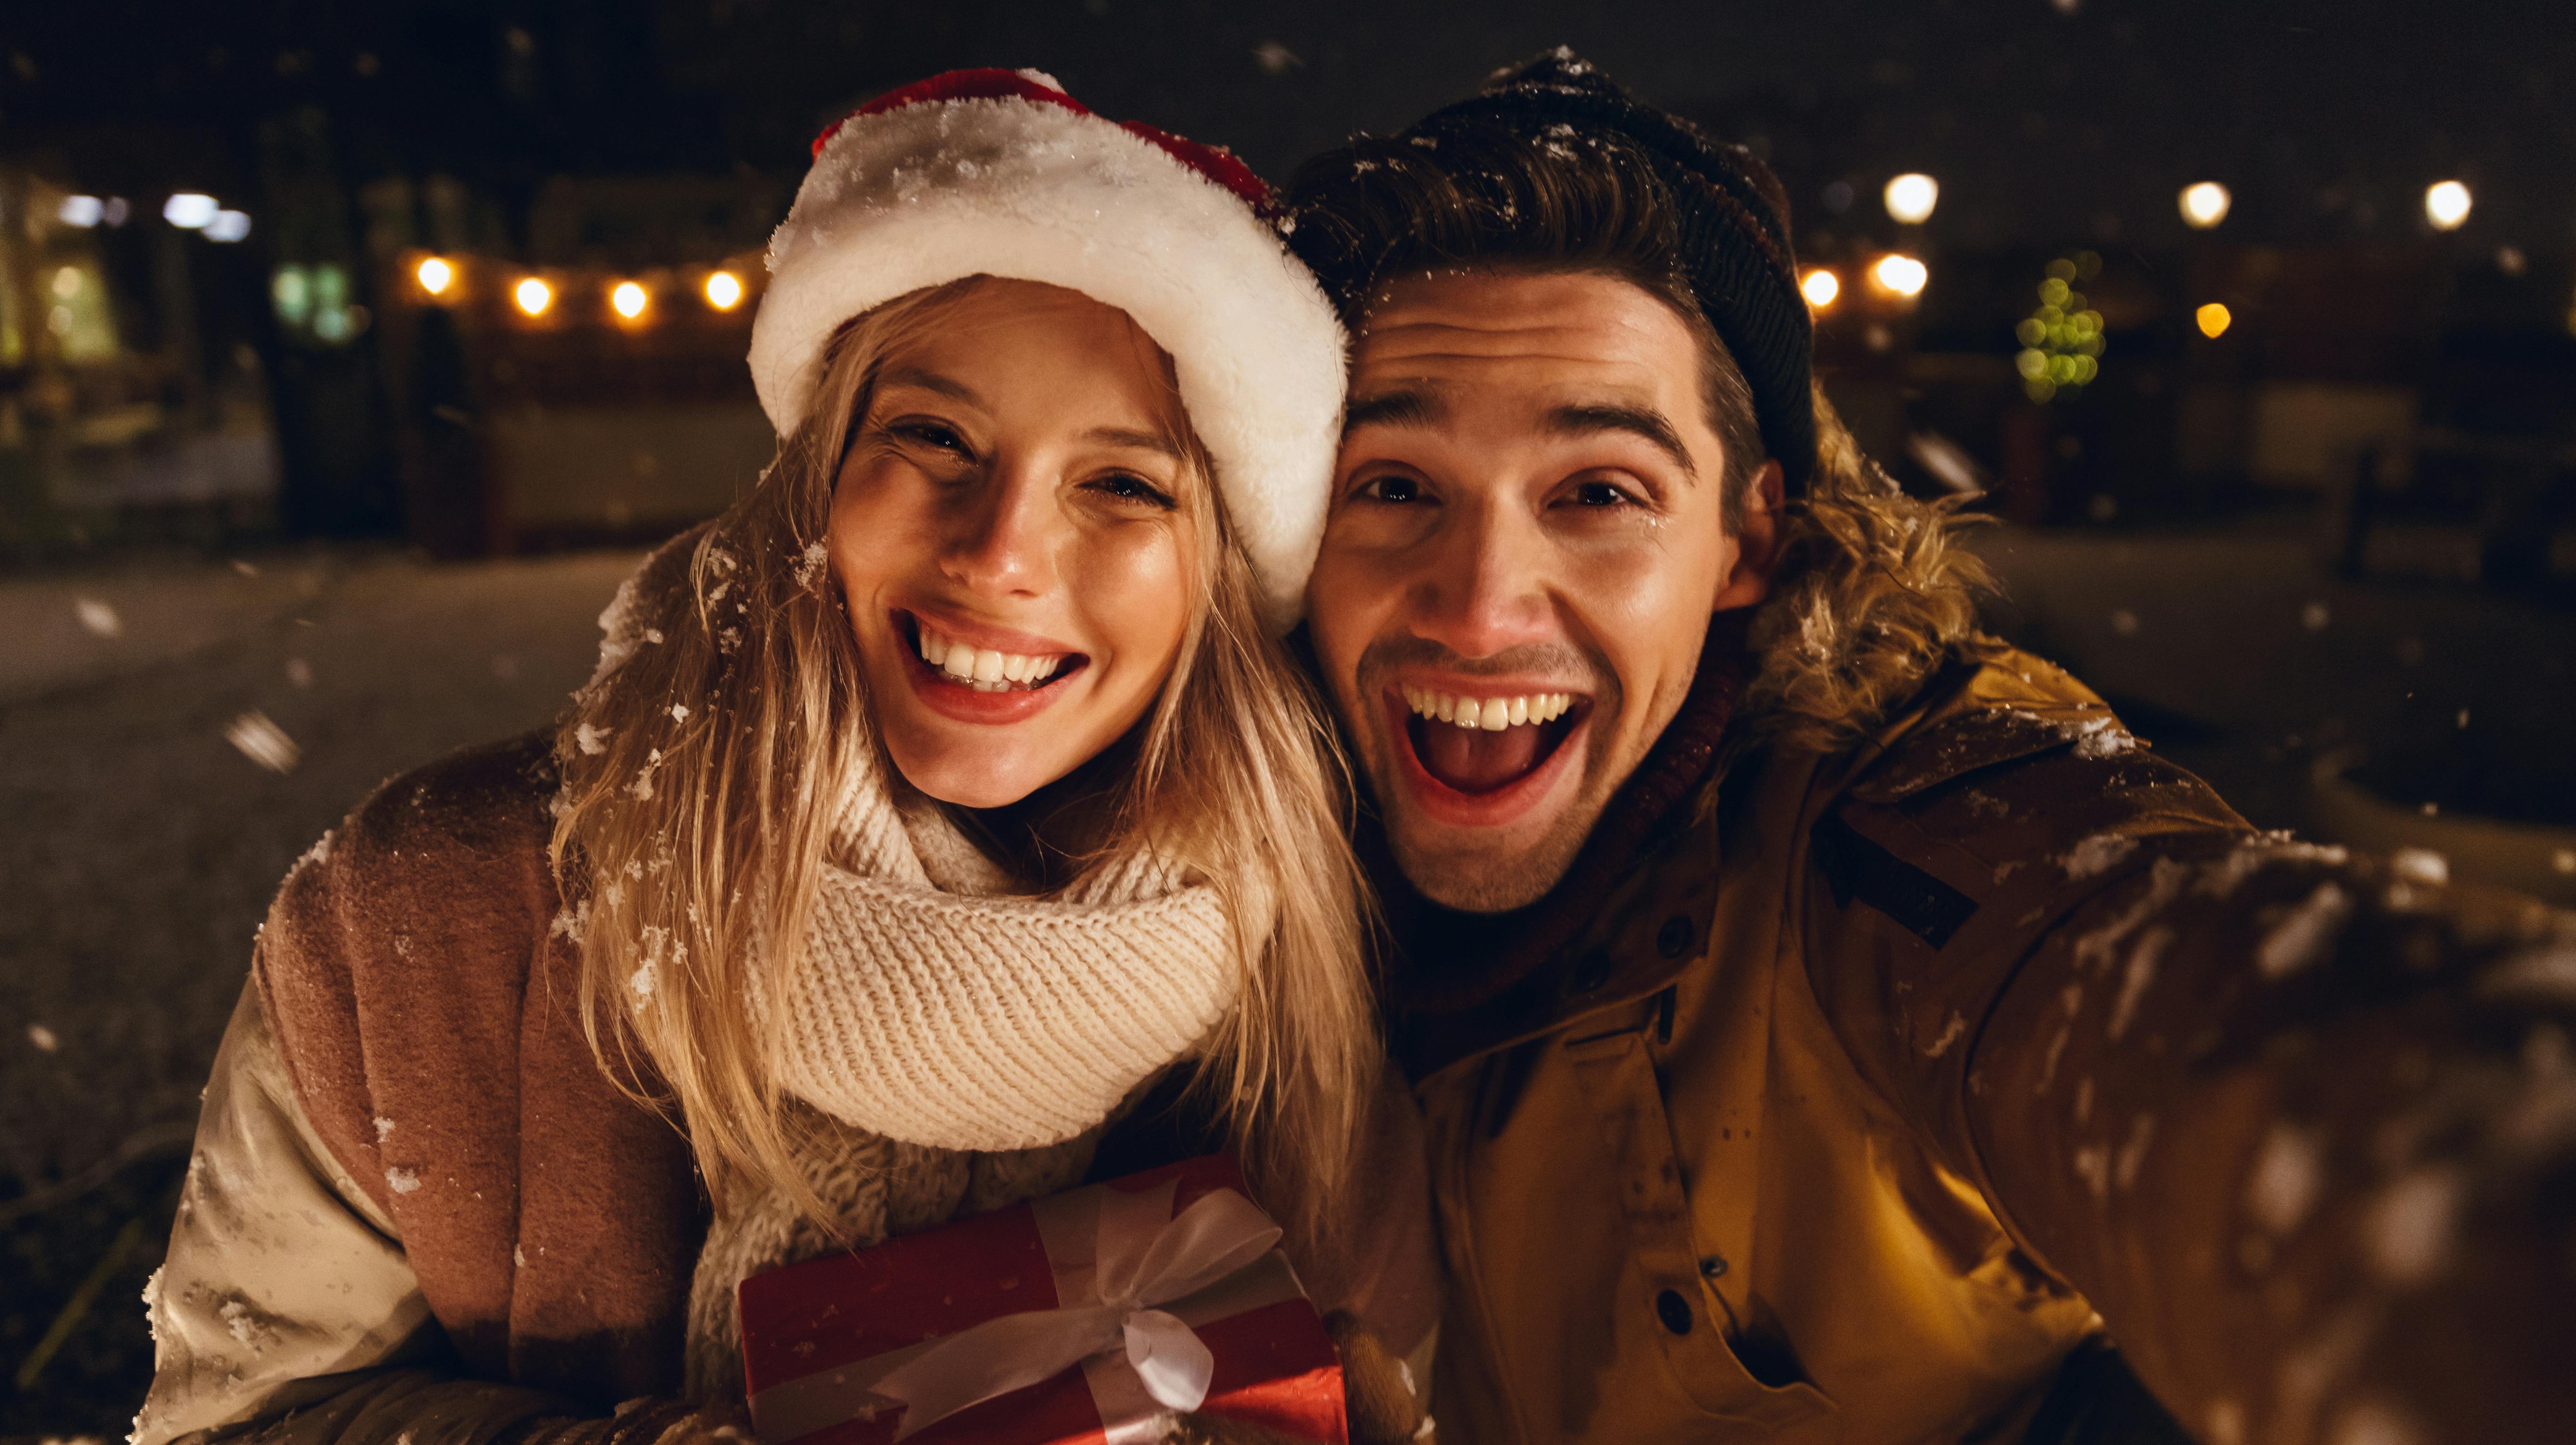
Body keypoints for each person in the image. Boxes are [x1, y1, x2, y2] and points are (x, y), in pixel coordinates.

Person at [1282, 49, 2576, 1445]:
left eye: (1598, 490)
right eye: (1394, 484)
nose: (1479, 604)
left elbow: (2215, 1029)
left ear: (1746, 540)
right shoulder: (1202, 846)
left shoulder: (1898, 845)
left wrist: (2481, 1193)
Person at [134, 70, 1435, 1445]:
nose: (999, 554)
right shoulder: (424, 913)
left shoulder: (1305, 957)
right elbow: (238, 1413)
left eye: (1123, 482)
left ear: (1219, 575)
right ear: (816, 470)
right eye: (933, 436)